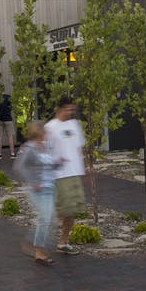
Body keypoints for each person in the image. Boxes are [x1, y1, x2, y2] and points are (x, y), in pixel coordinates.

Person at [45, 96, 88, 253]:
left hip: (75, 172)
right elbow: (44, 152)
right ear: (60, 109)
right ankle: (50, 237)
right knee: (66, 210)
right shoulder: (50, 128)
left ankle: (63, 242)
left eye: (72, 110)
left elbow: (79, 148)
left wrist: (83, 170)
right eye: (68, 109)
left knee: (73, 210)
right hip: (60, 175)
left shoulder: (75, 124)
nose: (70, 112)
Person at [13, 119, 58, 264]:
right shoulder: (30, 148)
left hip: (49, 187)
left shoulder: (45, 147)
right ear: (38, 132)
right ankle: (38, 249)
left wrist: (57, 164)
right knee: (45, 218)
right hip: (38, 189)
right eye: (44, 130)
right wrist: (33, 182)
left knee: (48, 218)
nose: (46, 133)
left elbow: (47, 165)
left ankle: (36, 245)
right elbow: (19, 167)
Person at [0, 94, 16, 160]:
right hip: (8, 119)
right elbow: (12, 107)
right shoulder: (9, 97)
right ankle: (12, 154)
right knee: (10, 136)